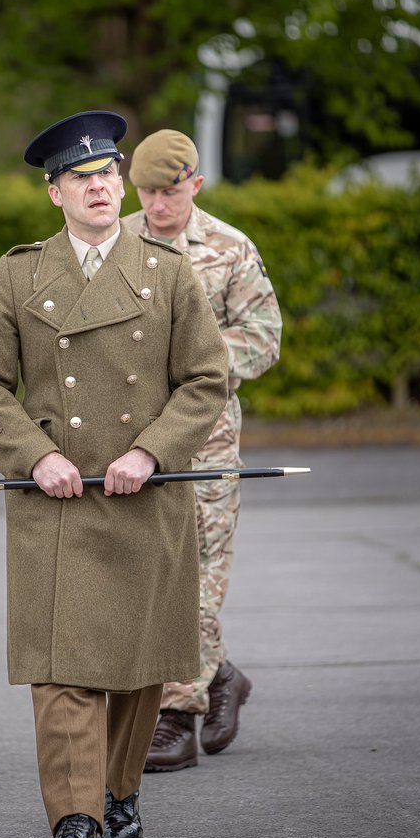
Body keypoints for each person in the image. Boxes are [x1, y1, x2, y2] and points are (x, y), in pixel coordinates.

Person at [0, 111, 228, 838]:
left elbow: (206, 378)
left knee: (138, 664)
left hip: (145, 494)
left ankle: (119, 790)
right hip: (57, 500)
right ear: (55, 194)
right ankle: (75, 824)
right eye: (82, 179)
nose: (101, 189)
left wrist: (150, 449)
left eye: (109, 176)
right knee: (62, 667)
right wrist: (34, 455)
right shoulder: (18, 273)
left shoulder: (168, 269)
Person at [123, 129, 282, 772]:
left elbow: (265, 337)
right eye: (147, 193)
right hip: (129, 441)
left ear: (196, 183)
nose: (157, 206)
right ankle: (219, 675)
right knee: (145, 573)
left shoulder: (228, 248)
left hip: (206, 441)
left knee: (194, 573)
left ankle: (176, 715)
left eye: (170, 191)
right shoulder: (116, 243)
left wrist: (198, 357)